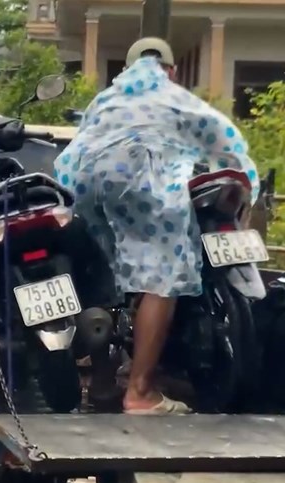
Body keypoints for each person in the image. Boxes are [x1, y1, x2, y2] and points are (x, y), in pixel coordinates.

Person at [54, 37, 260, 415]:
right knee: (163, 277)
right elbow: (224, 137)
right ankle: (139, 392)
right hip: (145, 182)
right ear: (171, 71)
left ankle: (104, 374)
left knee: (108, 268)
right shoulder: (174, 97)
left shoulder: (107, 99)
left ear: (126, 69)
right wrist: (246, 180)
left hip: (89, 185)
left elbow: (79, 148)